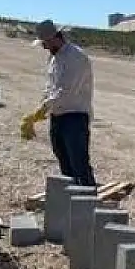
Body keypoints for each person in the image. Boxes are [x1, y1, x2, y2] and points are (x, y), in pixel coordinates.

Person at [20, 19, 98, 187]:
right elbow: (50, 87)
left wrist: (43, 108)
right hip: (58, 116)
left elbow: (66, 91)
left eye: (45, 43)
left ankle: (88, 203)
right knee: (64, 163)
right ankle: (72, 201)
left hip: (75, 117)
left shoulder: (75, 57)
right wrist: (40, 109)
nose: (44, 47)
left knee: (79, 164)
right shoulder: (55, 59)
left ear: (55, 38)